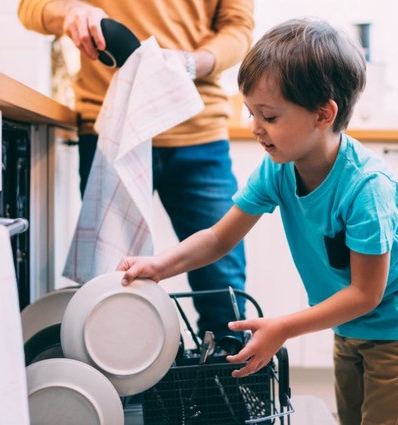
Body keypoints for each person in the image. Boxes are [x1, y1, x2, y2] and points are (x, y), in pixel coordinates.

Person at [118, 18, 398, 425]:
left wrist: (283, 328)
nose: (255, 128)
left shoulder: (366, 189)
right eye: (252, 112)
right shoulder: (278, 169)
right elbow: (220, 238)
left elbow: (366, 293)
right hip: (349, 324)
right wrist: (160, 266)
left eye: (269, 117)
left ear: (323, 114)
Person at [17, 0, 254, 338]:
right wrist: (70, 13)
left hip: (197, 129)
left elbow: (238, 28)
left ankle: (225, 380)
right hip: (111, 128)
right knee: (112, 280)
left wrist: (190, 63)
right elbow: (31, 7)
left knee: (222, 286)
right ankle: (121, 385)